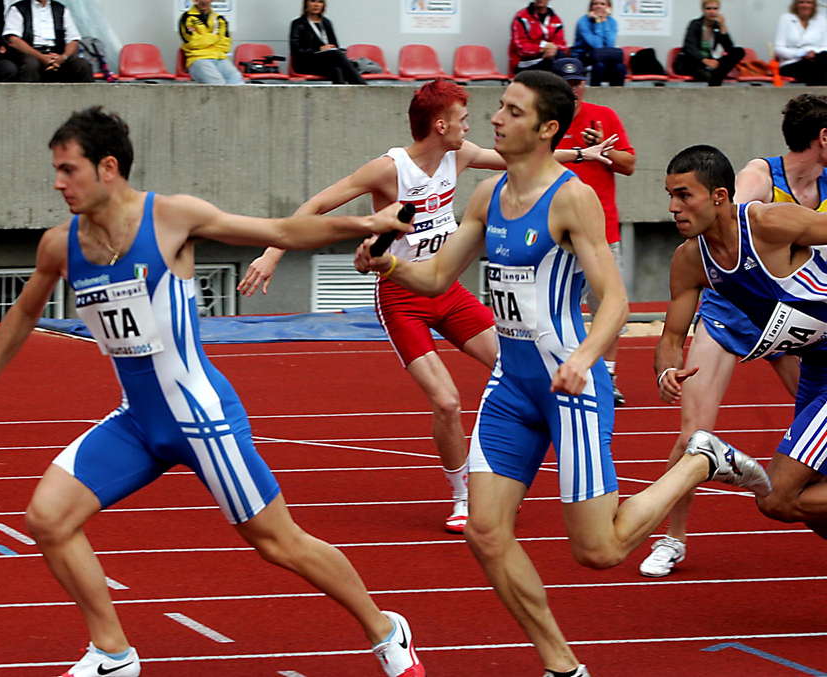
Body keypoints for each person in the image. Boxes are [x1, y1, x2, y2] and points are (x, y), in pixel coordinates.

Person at [0, 107, 423, 677]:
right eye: (56, 170)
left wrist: (368, 223)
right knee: (48, 519)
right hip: (137, 422)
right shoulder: (61, 245)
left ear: (107, 168)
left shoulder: (171, 218)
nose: (57, 183)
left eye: (68, 169)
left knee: (278, 542)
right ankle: (112, 653)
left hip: (203, 419)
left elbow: (280, 232)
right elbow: (27, 309)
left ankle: (385, 629)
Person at [356, 71, 770, 677]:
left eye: (513, 111)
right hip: (511, 388)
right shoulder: (487, 195)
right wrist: (389, 265)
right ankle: (561, 665)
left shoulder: (571, 198)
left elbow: (615, 301)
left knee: (598, 550)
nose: (496, 118)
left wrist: (583, 358)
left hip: (568, 387)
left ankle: (699, 460)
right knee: (484, 532)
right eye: (499, 107)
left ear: (548, 128)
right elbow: (438, 277)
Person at [238, 79, 615, 536]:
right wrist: (272, 253)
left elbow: (527, 158)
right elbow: (317, 204)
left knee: (515, 367)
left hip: (447, 288)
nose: (473, 125)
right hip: (403, 296)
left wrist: (582, 155)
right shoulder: (388, 169)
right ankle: (462, 494)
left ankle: (510, 475)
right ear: (441, 125)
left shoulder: (460, 155)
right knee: (447, 400)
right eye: (463, 118)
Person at [639, 94, 827, 578]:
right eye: (671, 195)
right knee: (694, 434)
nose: (672, 207)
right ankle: (672, 539)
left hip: (798, 337)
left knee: (794, 490)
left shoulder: (774, 220)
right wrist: (665, 370)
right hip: (737, 318)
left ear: (715, 197)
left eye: (684, 196)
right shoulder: (695, 253)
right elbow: (671, 335)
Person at [552, 57, 635, 405]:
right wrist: (580, 153)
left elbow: (629, 164)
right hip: (556, 232)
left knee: (607, 306)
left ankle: (608, 376)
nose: (573, 89)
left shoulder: (604, 116)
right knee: (556, 306)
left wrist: (606, 148)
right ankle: (560, 369)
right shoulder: (544, 119)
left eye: (577, 82)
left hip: (602, 232)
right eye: (566, 83)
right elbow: (529, 161)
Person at [3, 0, 93, 83]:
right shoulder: (18, 8)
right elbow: (14, 40)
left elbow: (73, 40)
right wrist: (41, 57)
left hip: (57, 55)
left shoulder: (61, 9)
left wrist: (62, 57)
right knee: (31, 64)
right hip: (31, 53)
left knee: (82, 65)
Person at [289, 0, 365, 84]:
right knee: (337, 55)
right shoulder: (298, 23)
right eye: (313, 1)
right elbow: (295, 51)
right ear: (306, 3)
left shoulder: (326, 22)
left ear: (323, 5)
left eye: (320, 2)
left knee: (337, 69)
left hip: (327, 62)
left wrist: (331, 49)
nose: (316, 5)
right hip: (306, 63)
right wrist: (319, 49)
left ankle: (345, 92)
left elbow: (335, 46)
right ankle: (362, 86)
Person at [674, 0, 745, 87]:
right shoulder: (695, 24)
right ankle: (714, 76)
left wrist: (723, 26)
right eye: (708, 8)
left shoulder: (717, 26)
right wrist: (704, 60)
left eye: (715, 9)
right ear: (703, 10)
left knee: (738, 51)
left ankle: (716, 75)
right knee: (694, 65)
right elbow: (689, 47)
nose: (712, 12)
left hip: (710, 62)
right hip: (693, 61)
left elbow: (729, 48)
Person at [178, 0, 244, 85]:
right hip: (198, 58)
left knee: (236, 80)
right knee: (217, 84)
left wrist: (205, 38)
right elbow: (193, 43)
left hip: (220, 57)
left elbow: (225, 44)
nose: (204, 2)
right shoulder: (187, 17)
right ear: (195, 1)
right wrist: (215, 37)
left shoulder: (219, 19)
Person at [571, 0, 625, 87]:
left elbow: (610, 44)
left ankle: (617, 93)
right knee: (599, 65)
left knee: (620, 67)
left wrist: (604, 21)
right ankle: (595, 92)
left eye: (602, 4)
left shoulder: (612, 22)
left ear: (608, 7)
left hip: (602, 56)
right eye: (595, 4)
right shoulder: (583, 21)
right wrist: (598, 22)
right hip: (584, 56)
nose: (598, 6)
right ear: (591, 7)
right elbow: (597, 45)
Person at [508, 1, 569, 75]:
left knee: (567, 62)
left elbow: (562, 45)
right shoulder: (521, 17)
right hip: (525, 63)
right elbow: (521, 47)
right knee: (553, 65)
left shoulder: (555, 19)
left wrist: (553, 50)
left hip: (549, 60)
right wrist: (543, 48)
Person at [775, 0, 827, 86]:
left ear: (814, 5)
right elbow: (778, 49)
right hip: (792, 63)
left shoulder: (821, 20)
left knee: (822, 60)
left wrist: (814, 54)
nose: (805, 5)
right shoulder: (786, 18)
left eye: (809, 2)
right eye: (801, 2)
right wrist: (801, 53)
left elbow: (825, 46)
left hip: (817, 59)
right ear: (796, 5)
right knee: (816, 69)